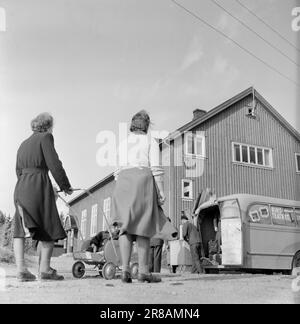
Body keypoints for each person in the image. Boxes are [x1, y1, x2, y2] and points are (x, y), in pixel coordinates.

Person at [111, 110, 177, 283]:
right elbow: (155, 169)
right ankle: (143, 272)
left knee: (125, 227)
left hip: (123, 183)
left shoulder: (123, 144)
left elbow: (116, 172)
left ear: (132, 125)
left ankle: (125, 271)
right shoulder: (150, 142)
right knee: (143, 227)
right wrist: (161, 191)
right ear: (147, 125)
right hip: (142, 181)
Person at [13, 113, 73, 282]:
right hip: (37, 187)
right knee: (48, 225)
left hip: (21, 187)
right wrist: (64, 185)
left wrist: (30, 180)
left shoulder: (23, 144)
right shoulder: (46, 137)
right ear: (48, 126)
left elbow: (18, 170)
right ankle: (45, 270)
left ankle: (21, 270)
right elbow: (54, 163)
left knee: (20, 230)